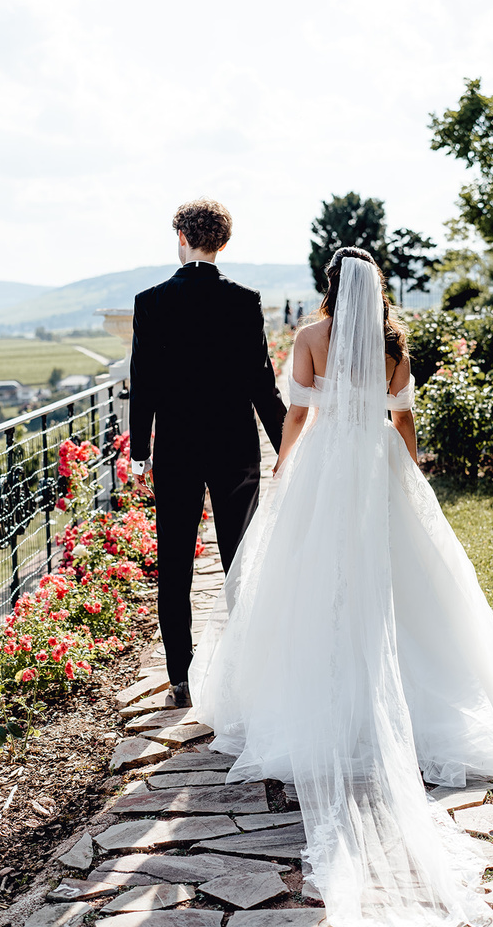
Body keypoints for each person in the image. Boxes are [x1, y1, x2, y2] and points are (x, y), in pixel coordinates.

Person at [191, 247, 493, 926]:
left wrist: (286, 465)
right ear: (374, 288)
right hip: (375, 460)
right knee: (401, 585)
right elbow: (402, 418)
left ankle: (323, 698)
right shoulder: (393, 339)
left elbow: (295, 414)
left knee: (315, 583)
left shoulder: (310, 337)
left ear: (326, 288)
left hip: (325, 462)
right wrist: (409, 473)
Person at [129, 198, 287, 708]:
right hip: (234, 447)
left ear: (181, 237)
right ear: (223, 243)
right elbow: (261, 381)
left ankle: (180, 677)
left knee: (175, 562)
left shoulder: (150, 301)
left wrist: (138, 451)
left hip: (176, 448)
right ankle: (248, 670)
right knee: (240, 557)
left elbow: (144, 382)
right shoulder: (244, 300)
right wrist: (287, 440)